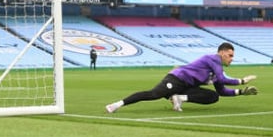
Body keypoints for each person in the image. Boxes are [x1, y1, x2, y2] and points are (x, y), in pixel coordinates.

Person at [105, 42, 257, 113]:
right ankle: (117, 105)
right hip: (176, 80)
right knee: (153, 94)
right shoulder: (213, 59)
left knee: (213, 96)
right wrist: (242, 81)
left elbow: (222, 90)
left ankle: (179, 98)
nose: (231, 58)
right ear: (222, 53)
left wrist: (242, 91)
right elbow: (223, 79)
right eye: (230, 55)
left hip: (185, 87)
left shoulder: (217, 69)